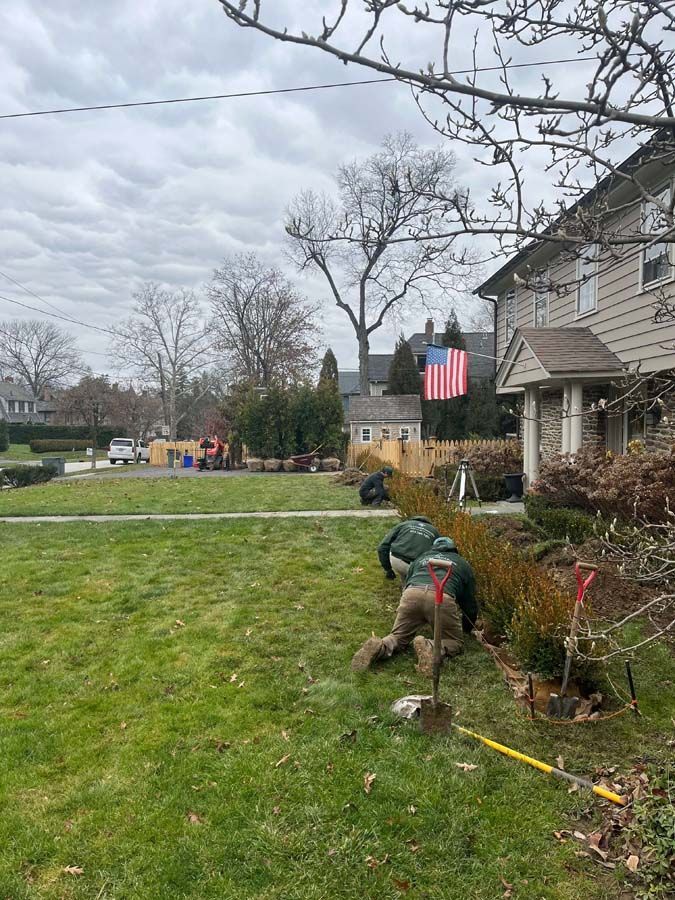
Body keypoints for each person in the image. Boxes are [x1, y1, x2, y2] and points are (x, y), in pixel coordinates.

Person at [351, 537, 477, 674]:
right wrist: (467, 628)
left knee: (398, 637)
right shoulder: (462, 563)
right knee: (454, 642)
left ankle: (381, 646)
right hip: (441, 597)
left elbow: (408, 580)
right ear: (454, 550)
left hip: (411, 594)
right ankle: (429, 646)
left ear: (433, 548)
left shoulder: (422, 558)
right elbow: (469, 603)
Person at [377, 516, 440, 581]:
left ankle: (405, 584)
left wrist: (388, 569)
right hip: (420, 566)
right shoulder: (434, 531)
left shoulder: (404, 524)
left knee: (394, 549)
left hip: (398, 562)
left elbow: (383, 547)